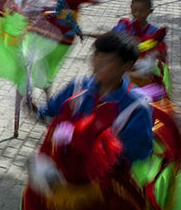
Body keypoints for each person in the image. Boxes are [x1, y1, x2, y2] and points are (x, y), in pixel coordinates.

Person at [34, 31, 153, 163]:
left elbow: (140, 153)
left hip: (105, 179)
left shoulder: (136, 107)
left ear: (127, 65)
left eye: (107, 60)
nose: (98, 62)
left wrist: (98, 147)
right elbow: (52, 111)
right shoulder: (77, 86)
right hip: (65, 172)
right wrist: (37, 112)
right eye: (96, 55)